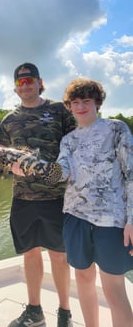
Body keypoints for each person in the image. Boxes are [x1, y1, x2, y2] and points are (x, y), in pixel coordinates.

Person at [0, 63, 76, 327]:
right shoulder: (9, 119)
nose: (25, 85)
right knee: (30, 253)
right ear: (16, 87)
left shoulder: (59, 110)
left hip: (57, 196)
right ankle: (35, 310)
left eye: (30, 80)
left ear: (40, 82)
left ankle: (65, 313)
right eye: (20, 82)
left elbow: (77, 144)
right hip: (23, 198)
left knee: (59, 255)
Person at [56, 78, 133, 327]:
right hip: (75, 217)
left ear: (97, 103)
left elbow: (131, 172)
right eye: (75, 102)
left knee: (113, 288)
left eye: (86, 101)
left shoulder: (116, 129)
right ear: (69, 106)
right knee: (83, 279)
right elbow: (61, 173)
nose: (80, 107)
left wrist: (132, 218)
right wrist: (28, 169)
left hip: (112, 219)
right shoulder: (67, 140)